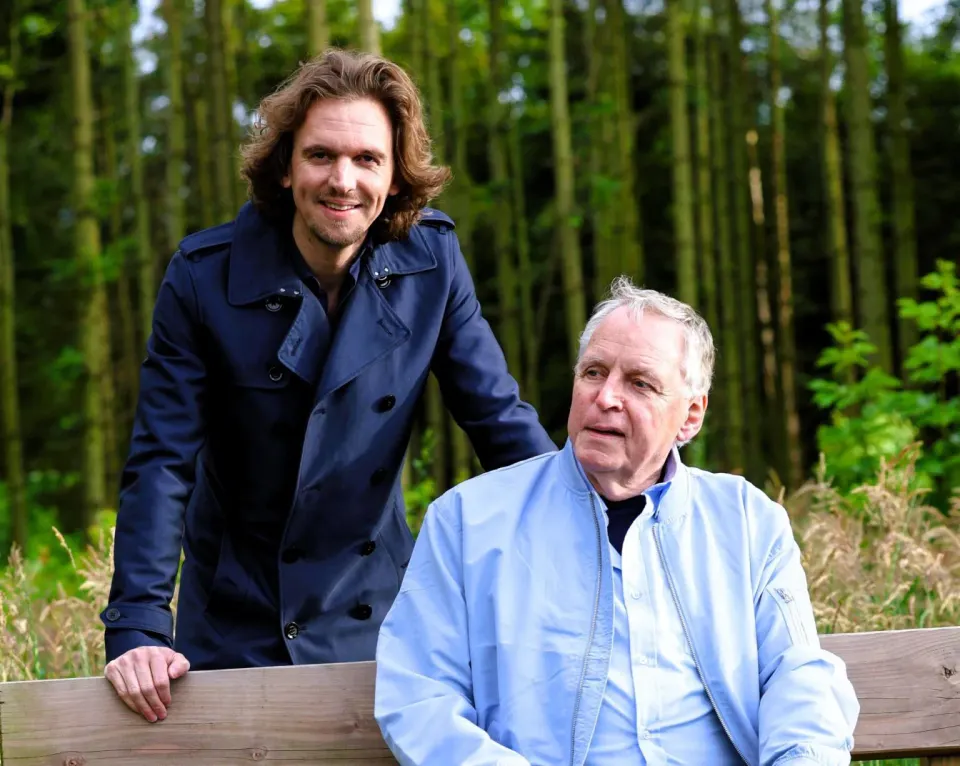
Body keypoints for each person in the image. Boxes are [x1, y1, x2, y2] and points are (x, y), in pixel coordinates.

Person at [100, 49, 556, 723]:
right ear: (286, 166)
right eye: (320, 155)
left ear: (396, 173)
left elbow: (499, 422)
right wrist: (138, 628)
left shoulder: (433, 262)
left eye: (367, 159)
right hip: (234, 616)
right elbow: (162, 462)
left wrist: (595, 539)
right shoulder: (202, 278)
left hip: (372, 613)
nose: (342, 180)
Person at [374, 276, 860, 766]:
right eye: (593, 373)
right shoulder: (467, 521)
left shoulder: (748, 521)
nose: (606, 397)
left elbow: (798, 675)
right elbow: (420, 696)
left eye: (639, 383)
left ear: (691, 415)